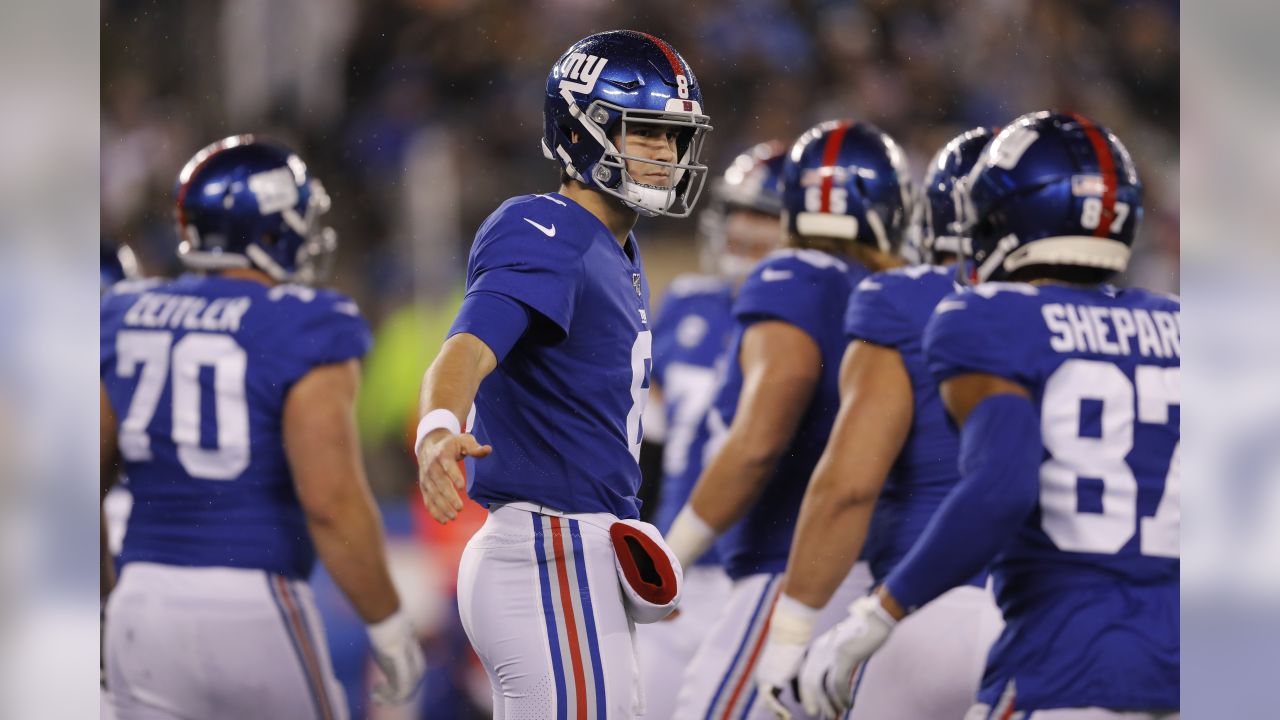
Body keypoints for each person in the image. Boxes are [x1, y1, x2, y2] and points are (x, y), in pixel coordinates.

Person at [797, 111, 1180, 720]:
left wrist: (875, 617)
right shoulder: (1179, 325)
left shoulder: (988, 317)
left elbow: (1002, 488)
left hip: (1064, 665)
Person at [412, 30, 713, 719]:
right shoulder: (548, 227)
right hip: (548, 549)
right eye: (644, 133)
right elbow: (467, 346)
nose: (664, 153)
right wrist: (437, 428)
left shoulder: (616, 249)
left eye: (673, 137)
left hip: (572, 550)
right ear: (584, 130)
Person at [100, 136, 425, 720]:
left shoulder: (122, 312)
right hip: (251, 599)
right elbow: (330, 499)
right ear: (271, 227)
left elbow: (81, 484)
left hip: (142, 601)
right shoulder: (303, 322)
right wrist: (389, 624)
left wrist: (105, 602)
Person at [663, 120, 912, 720]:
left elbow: (760, 439)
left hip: (788, 568)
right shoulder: (896, 294)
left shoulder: (792, 276)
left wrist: (669, 557)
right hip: (872, 580)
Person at [753, 127, 1005, 720]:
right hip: (1052, 620)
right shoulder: (1112, 319)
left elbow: (849, 486)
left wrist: (790, 635)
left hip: (924, 610)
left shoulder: (902, 299)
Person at [635, 140, 788, 720]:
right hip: (675, 571)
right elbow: (647, 446)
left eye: (765, 214)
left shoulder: (812, 320)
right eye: (738, 211)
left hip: (754, 568)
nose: (745, 229)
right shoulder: (687, 304)